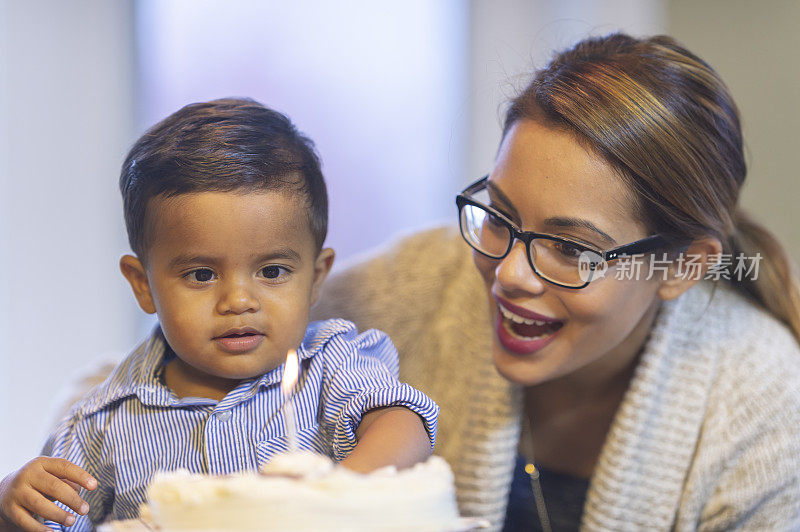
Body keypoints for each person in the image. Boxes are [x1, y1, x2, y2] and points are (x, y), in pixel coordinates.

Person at [310, 33, 800, 531]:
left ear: (683, 266)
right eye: (500, 215)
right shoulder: (412, 288)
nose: (508, 274)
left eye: (570, 248)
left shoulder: (764, 409)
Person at [0, 98, 438, 531]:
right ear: (143, 284)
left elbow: (403, 424)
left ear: (316, 276)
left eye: (272, 271)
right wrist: (12, 506)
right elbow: (52, 519)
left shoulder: (330, 365)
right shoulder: (102, 422)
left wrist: (334, 496)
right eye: (202, 274)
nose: (238, 300)